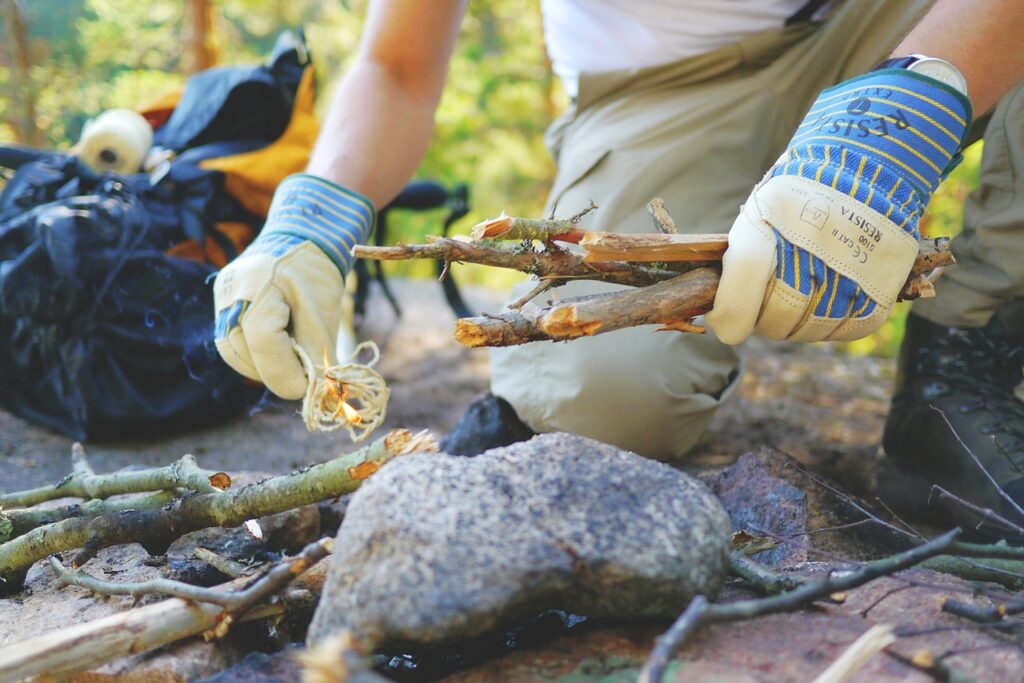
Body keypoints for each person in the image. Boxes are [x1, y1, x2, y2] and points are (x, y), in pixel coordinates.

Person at [212, 0, 1024, 527]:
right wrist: (314, 213)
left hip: (913, 20)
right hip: (660, 91)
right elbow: (396, 63)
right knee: (594, 397)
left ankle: (961, 367)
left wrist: (909, 102)